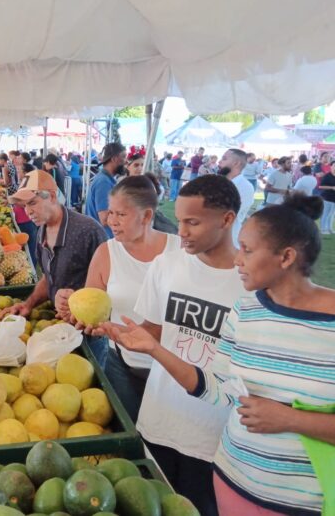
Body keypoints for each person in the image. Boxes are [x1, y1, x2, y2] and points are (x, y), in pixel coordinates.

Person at [110, 193, 335, 515]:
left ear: (286, 257)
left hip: (304, 502)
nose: (238, 260)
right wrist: (155, 349)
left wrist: (292, 419)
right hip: (232, 483)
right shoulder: (245, 311)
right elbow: (218, 390)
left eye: (248, 250)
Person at [93, 175, 244, 515]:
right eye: (179, 221)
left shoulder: (248, 283)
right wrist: (124, 335)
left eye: (192, 222)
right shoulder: (168, 265)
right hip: (159, 419)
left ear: (227, 219)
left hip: (213, 435)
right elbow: (155, 330)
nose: (183, 231)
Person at [54, 176, 180, 420]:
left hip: (172, 369)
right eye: (110, 213)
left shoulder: (180, 252)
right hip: (122, 366)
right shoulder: (106, 253)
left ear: (146, 216)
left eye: (121, 215)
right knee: (132, 430)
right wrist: (68, 303)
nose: (110, 221)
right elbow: (90, 311)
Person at [1, 170, 107, 319]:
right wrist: (28, 304)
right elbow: (48, 279)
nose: (28, 211)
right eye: (24, 205)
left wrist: (76, 298)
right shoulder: (41, 232)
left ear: (51, 196)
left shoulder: (88, 231)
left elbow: (112, 284)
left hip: (88, 331)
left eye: (32, 202)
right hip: (60, 326)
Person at [85, 142, 126, 238]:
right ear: (114, 159)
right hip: (103, 238)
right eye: (123, 157)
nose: (125, 161)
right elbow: (104, 219)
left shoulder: (105, 179)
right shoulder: (103, 182)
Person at [217, 148, 255, 249]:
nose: (219, 161)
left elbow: (225, 213)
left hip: (227, 241)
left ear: (236, 163)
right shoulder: (218, 182)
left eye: (224, 159)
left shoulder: (245, 187)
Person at [12, 153, 39, 264]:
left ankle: (32, 267)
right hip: (23, 220)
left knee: (31, 248)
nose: (18, 173)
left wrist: (11, 200)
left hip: (27, 220)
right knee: (27, 246)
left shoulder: (29, 184)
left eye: (20, 171)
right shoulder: (25, 183)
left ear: (26, 173)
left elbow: (25, 202)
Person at [319, 168, 335, 234]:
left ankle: (329, 228)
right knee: (325, 213)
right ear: (331, 167)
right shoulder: (327, 176)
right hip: (327, 198)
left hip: (334, 199)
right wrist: (332, 187)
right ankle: (323, 229)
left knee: (332, 214)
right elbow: (320, 186)